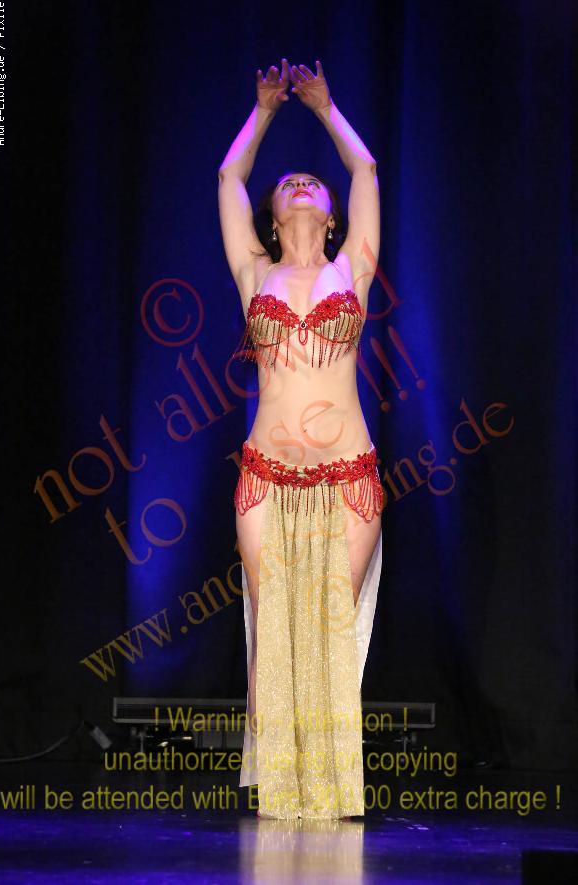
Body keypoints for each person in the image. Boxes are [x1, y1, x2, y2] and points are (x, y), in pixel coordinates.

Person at [218, 60, 384, 819]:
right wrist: (262, 112)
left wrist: (324, 108)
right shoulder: (254, 275)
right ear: (274, 215)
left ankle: (330, 789)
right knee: (273, 630)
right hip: (267, 474)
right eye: (289, 183)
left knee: (328, 630)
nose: (302, 184)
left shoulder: (355, 270)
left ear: (332, 216)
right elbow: (229, 176)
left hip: (347, 473)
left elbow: (365, 167)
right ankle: (277, 790)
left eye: (313, 183)